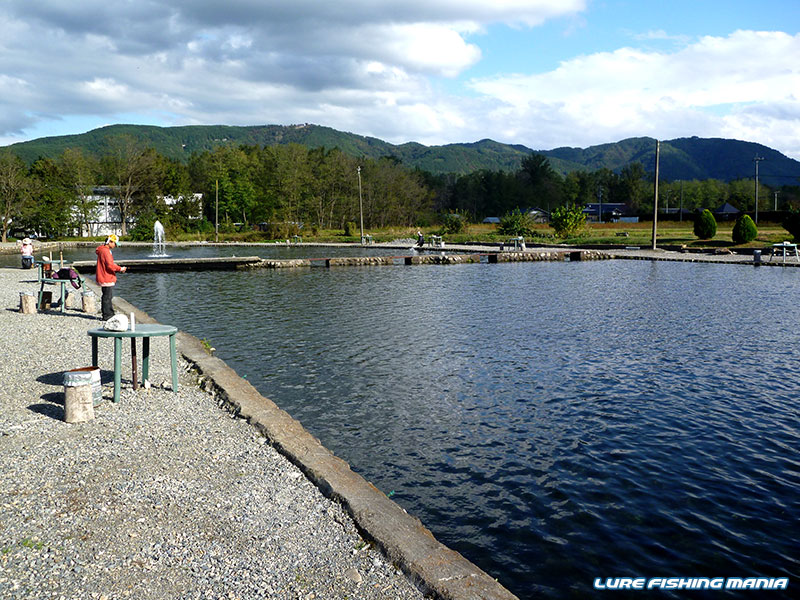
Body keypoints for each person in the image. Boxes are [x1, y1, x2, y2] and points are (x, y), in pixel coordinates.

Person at [96, 234, 127, 321]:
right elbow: (110, 265)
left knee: (106, 296)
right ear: (110, 242)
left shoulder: (101, 250)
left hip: (102, 275)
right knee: (107, 296)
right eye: (115, 244)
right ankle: (107, 315)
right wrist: (120, 268)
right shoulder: (106, 251)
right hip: (106, 277)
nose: (115, 246)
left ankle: (108, 313)